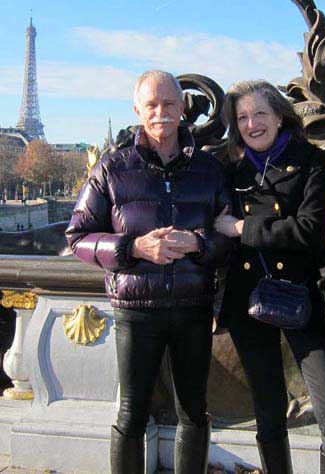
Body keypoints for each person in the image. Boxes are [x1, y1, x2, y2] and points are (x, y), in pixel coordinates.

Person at [66, 70, 232, 474]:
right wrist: (134, 247)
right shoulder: (112, 168)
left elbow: (231, 236)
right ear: (137, 109)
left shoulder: (209, 171)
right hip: (137, 311)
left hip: (193, 306)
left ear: (182, 109)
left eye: (170, 104)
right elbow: (78, 236)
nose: (161, 113)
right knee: (132, 414)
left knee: (195, 412)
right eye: (152, 105)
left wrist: (198, 243)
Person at [215, 80, 325, 474]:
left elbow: (309, 230)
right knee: (270, 417)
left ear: (279, 116)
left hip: (305, 297)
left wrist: (242, 229)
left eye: (260, 113)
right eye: (242, 117)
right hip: (249, 301)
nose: (252, 124)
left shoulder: (312, 161)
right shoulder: (229, 168)